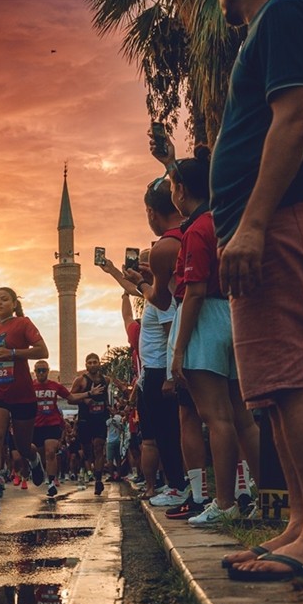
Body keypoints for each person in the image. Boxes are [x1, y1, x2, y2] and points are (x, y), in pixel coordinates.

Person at [205, 0, 303, 579]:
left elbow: (295, 116)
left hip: (280, 219)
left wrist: (255, 223)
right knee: (273, 390)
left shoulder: (287, 8)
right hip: (267, 224)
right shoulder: (271, 21)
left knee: (292, 379)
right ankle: (300, 525)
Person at [166, 149, 259, 527]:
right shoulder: (226, 220)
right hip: (235, 315)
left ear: (182, 191)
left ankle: (223, 502)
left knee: (215, 418)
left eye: (172, 185)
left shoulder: (197, 230)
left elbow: (195, 291)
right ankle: (262, 495)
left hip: (207, 320)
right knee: (242, 418)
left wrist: (178, 350)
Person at [118, 177, 188, 500]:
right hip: (154, 370)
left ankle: (178, 486)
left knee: (168, 432)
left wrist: (172, 366)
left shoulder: (168, 247)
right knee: (162, 431)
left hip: (161, 368)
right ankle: (177, 485)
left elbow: (168, 318)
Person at [0, 287, 48, 514]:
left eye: (4, 299)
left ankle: (35, 460)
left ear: (14, 303)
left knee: (22, 447)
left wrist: (14, 353)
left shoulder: (23, 323)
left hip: (22, 393)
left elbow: (42, 351)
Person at [68, 353, 123, 497]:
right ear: (86, 365)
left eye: (95, 362)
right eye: (90, 362)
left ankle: (98, 480)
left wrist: (110, 406)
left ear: (99, 363)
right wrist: (86, 397)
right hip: (85, 420)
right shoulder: (80, 380)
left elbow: (112, 394)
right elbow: (70, 398)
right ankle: (91, 467)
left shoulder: (106, 380)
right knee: (88, 451)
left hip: (100, 419)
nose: (92, 365)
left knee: (99, 447)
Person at [31, 361, 71, 498]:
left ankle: (51, 483)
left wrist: (89, 394)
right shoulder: (30, 387)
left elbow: (71, 397)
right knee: (42, 455)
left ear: (48, 371)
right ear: (34, 372)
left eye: (43, 370)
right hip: (36, 426)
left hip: (52, 424)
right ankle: (38, 466)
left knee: (50, 453)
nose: (41, 373)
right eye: (38, 370)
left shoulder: (55, 386)